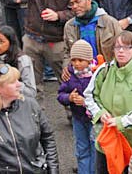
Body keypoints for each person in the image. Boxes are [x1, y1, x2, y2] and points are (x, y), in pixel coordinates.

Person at [84, 31, 132, 173]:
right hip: (106, 139)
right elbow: (89, 95)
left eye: (126, 47)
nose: (120, 51)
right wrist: (100, 112)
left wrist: (123, 121)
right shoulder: (104, 70)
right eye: (117, 47)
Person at [7, 0, 81, 93]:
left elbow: (79, 10)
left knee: (67, 84)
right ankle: (35, 116)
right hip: (32, 39)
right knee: (32, 86)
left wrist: (58, 15)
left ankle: (71, 116)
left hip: (57, 41)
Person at [0, 64, 59, 173]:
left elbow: (48, 138)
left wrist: (54, 170)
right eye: (13, 82)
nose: (20, 85)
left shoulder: (30, 105)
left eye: (18, 80)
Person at [57, 40, 96, 174]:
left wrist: (86, 102)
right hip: (78, 118)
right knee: (81, 149)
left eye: (80, 60)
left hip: (94, 120)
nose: (77, 63)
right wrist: (69, 98)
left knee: (95, 149)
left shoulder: (97, 74)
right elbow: (60, 94)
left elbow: (102, 97)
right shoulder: (69, 75)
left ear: (89, 60)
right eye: (74, 60)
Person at [63, 0, 122, 68]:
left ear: (89, 1)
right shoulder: (70, 26)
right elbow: (67, 52)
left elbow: (122, 49)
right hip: (81, 73)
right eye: (71, 4)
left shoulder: (110, 23)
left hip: (107, 71)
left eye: (78, 2)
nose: (75, 6)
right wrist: (66, 67)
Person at [0, 25, 36, 98]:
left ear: (11, 42)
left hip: (19, 101)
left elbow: (31, 92)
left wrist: (11, 82)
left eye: (1, 41)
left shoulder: (22, 60)